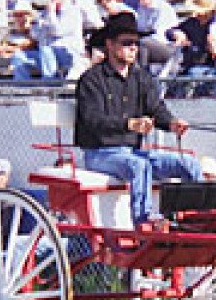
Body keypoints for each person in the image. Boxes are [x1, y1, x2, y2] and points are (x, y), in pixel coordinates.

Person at [74, 12, 202, 228]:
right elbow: (91, 120)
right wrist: (129, 124)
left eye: (136, 43)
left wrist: (171, 123)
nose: (134, 47)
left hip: (132, 152)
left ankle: (196, 217)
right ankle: (143, 221)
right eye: (127, 43)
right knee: (139, 165)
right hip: (99, 153)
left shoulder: (141, 77)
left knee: (189, 164)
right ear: (110, 45)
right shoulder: (91, 80)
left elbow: (156, 108)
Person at [12, 0, 86, 80]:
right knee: (19, 56)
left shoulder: (73, 11)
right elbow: (36, 36)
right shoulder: (46, 13)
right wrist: (35, 24)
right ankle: (22, 87)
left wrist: (50, 14)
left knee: (46, 49)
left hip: (70, 54)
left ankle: (49, 83)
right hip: (48, 56)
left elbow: (57, 31)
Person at [165, 0, 216, 95]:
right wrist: (177, 34)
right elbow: (169, 32)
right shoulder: (192, 23)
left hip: (208, 65)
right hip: (188, 64)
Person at [133, 0, 179, 70]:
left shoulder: (163, 8)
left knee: (143, 43)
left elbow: (160, 36)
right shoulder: (141, 9)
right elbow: (140, 29)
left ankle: (142, 76)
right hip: (148, 44)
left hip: (168, 48)